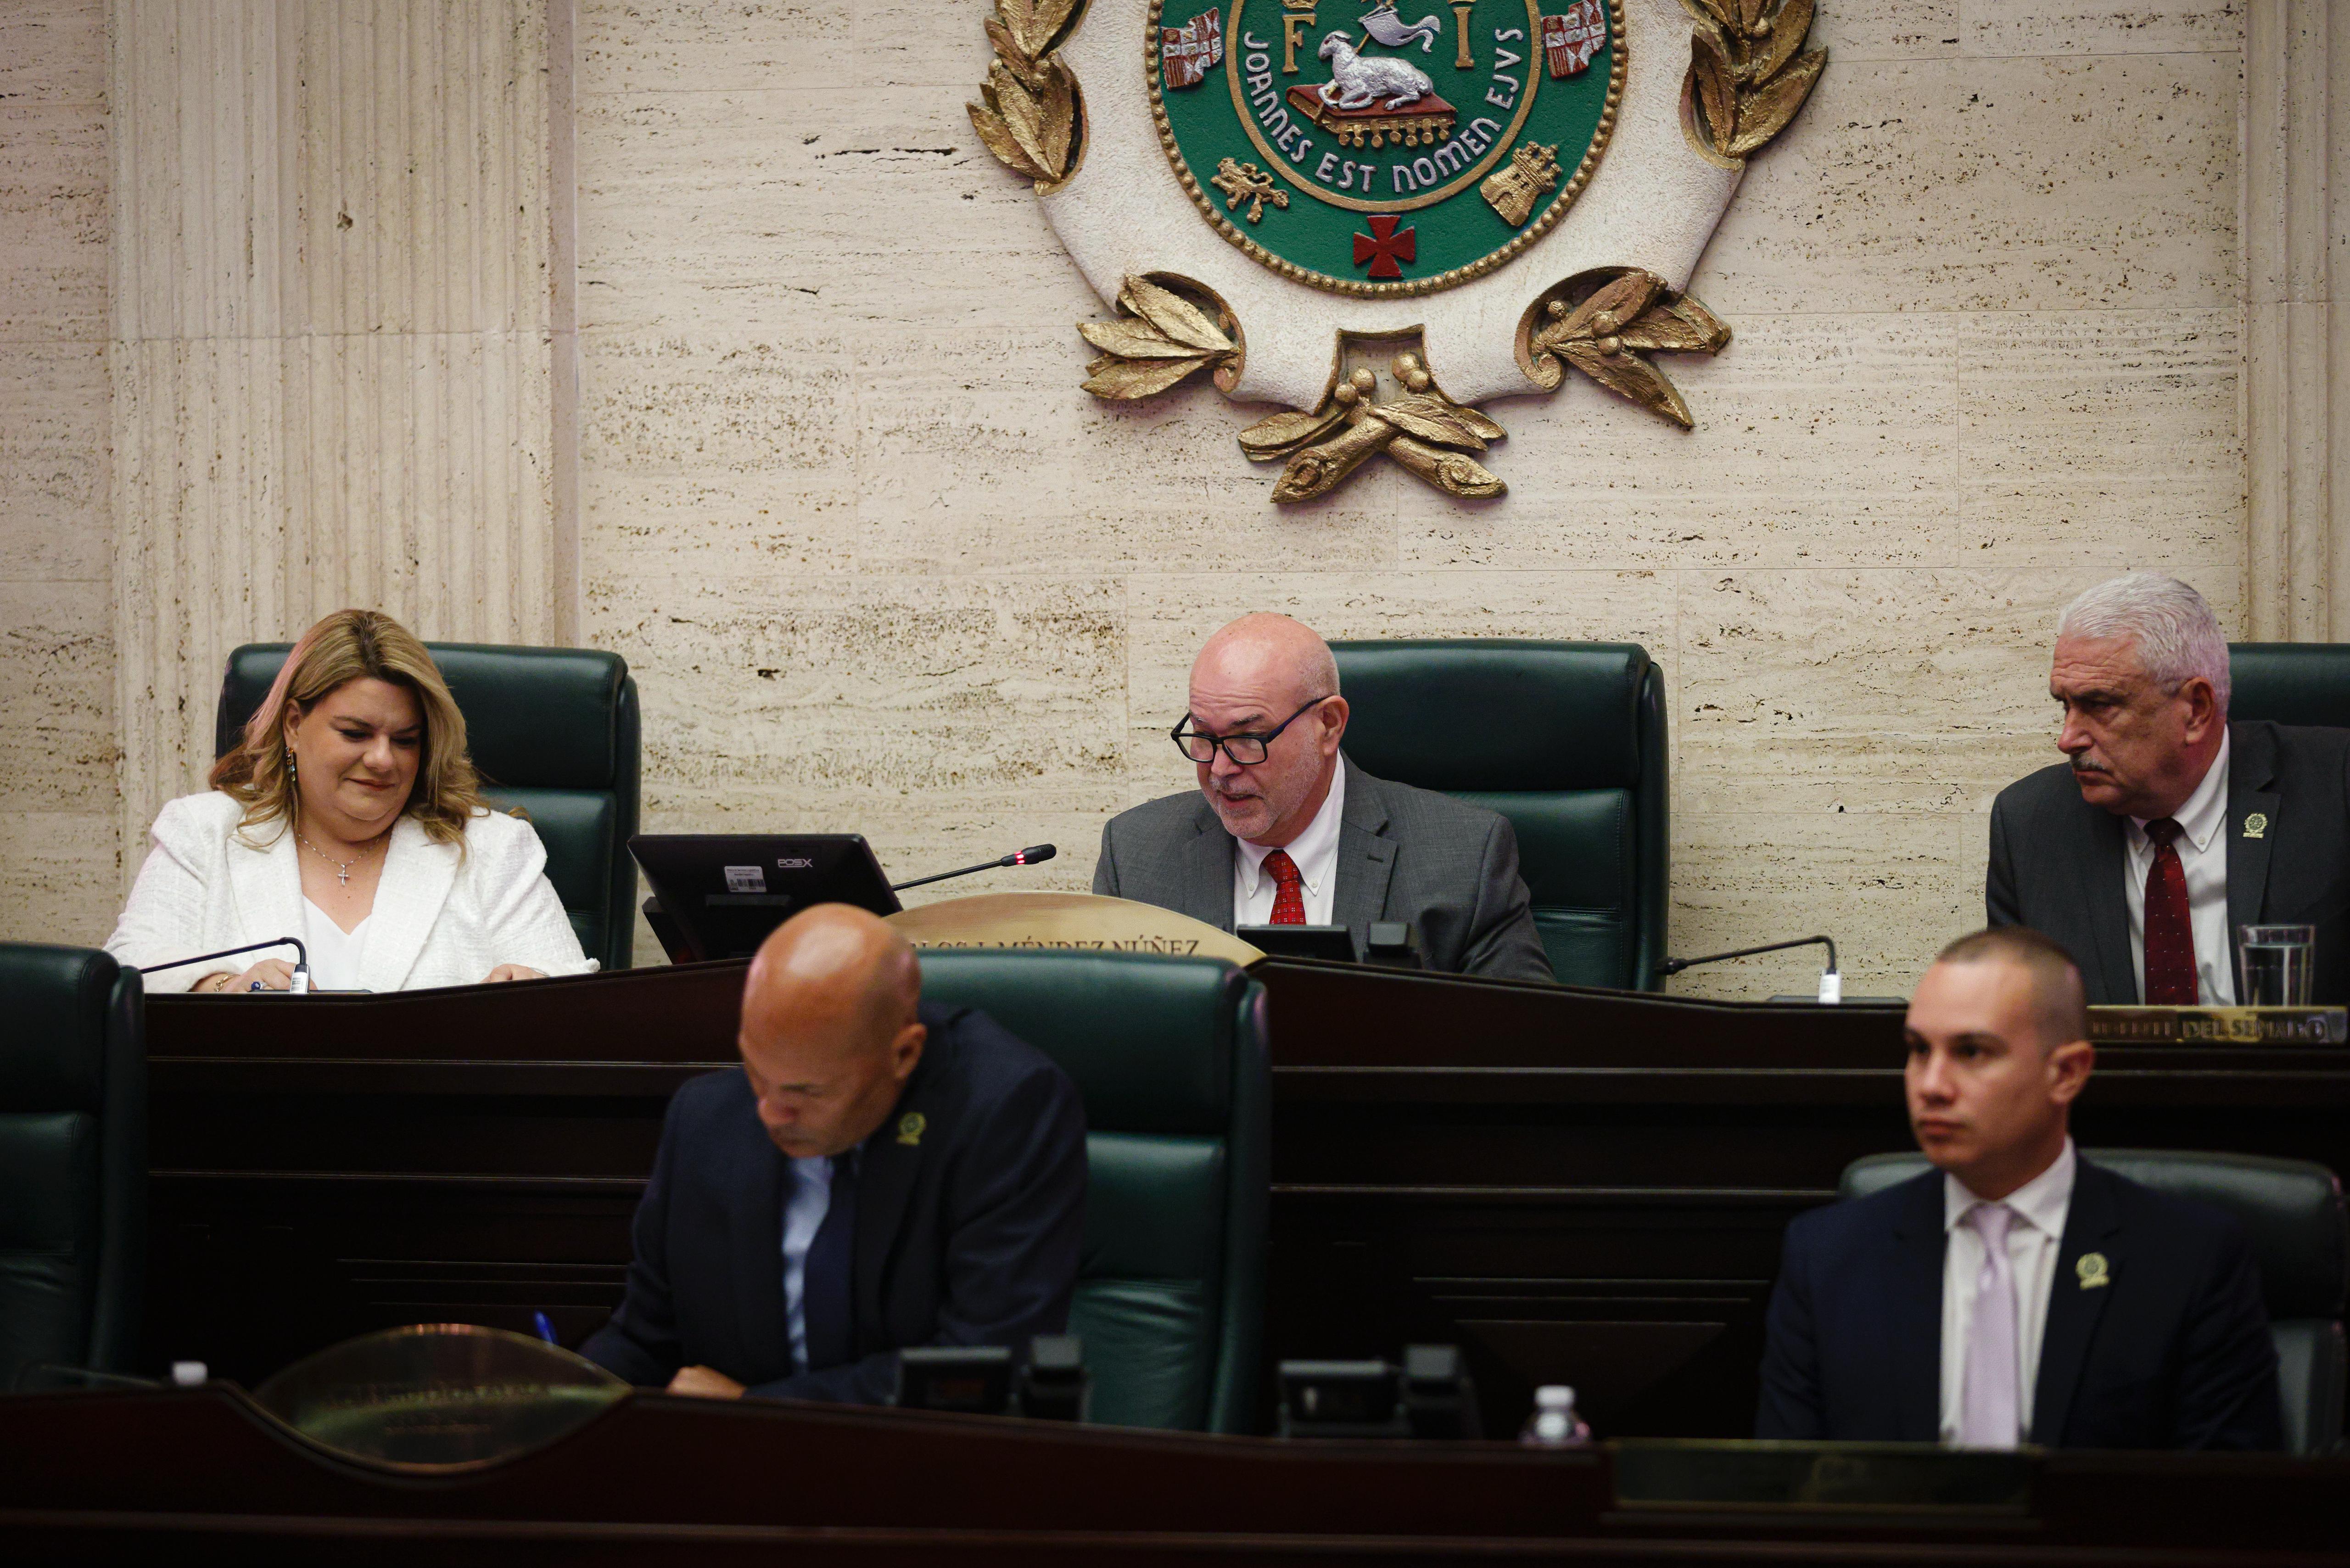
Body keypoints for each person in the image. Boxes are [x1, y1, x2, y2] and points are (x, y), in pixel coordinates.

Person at [1755, 926, 2282, 1449]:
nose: (1930, 1085)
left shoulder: (2188, 1259)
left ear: (2066, 1072)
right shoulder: (1827, 1259)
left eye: (1970, 1051)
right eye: (1918, 1049)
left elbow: (2226, 1494)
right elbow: (1787, 1488)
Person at [581, 904, 1087, 1404]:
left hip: (919, 1452)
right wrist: (560, 1397)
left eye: (806, 1092)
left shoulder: (1005, 1112)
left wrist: (756, 1413)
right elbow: (644, 1340)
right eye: (755, 1071)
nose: (769, 1112)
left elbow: (982, 1365)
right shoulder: (707, 1116)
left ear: (904, 1054)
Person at [104, 609, 593, 992]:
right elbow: (127, 971)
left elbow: (574, 999)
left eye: (405, 740)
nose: (382, 759)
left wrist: (534, 989)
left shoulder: (492, 849)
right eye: (356, 733)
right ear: (294, 725)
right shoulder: (203, 832)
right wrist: (221, 987)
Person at [1092, 613, 1552, 981]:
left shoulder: (1465, 857)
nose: (1219, 769)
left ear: (1329, 725)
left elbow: (1529, 1042)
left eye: (1248, 737)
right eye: (1203, 736)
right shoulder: (1134, 857)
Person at [1987, 571, 2350, 1004]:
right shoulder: (2031, 824)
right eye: (2065, 706)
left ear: (2196, 709)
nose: (2068, 739)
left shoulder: (2336, 788)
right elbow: (2017, 1023)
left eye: (2099, 705)